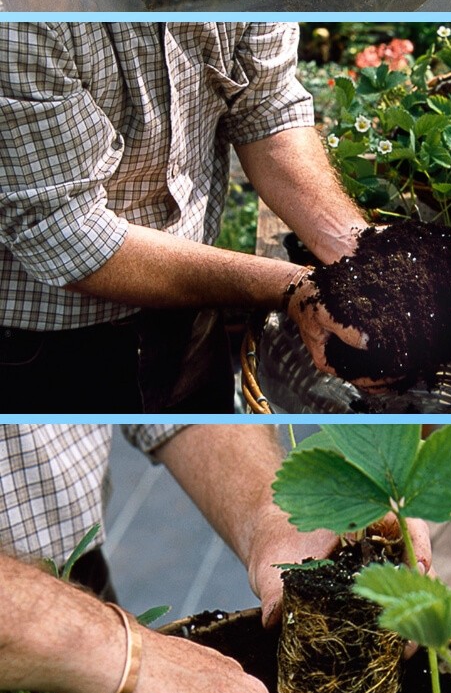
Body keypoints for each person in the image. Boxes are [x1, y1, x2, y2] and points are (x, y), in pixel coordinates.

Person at [0, 421, 432, 693]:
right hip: (65, 635)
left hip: (74, 590)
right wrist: (111, 655)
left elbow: (167, 394)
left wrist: (274, 517)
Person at [0, 20, 371, 411]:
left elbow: (265, 106)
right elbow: (65, 232)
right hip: (46, 348)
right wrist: (293, 286)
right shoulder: (25, 12)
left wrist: (356, 244)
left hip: (190, 310)